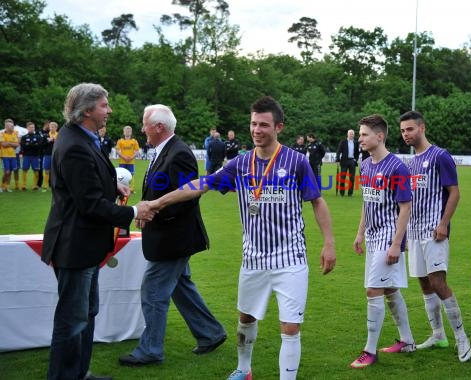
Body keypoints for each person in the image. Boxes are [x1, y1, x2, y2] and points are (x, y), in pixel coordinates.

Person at [148, 95, 336, 380]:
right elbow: (201, 185)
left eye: (264, 125)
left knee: (290, 327)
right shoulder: (240, 164)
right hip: (253, 258)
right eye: (253, 124)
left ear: (279, 127)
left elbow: (317, 201)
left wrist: (329, 243)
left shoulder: (297, 162)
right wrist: (157, 203)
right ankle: (243, 369)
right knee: (246, 318)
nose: (257, 130)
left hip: (290, 258)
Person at [41, 82, 155, 380]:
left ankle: (78, 373)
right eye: (105, 105)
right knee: (73, 320)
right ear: (88, 109)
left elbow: (87, 185)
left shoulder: (81, 137)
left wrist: (111, 184)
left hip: (85, 244)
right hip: (75, 245)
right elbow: (89, 204)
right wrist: (133, 211)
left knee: (86, 313)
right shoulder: (76, 145)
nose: (110, 110)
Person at [118, 104, 226, 367]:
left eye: (144, 124)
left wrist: (153, 214)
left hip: (173, 237)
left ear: (159, 127)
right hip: (168, 235)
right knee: (180, 286)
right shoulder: (165, 150)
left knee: (153, 289)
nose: (142, 128)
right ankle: (211, 333)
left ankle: (151, 349)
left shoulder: (179, 153)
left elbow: (187, 198)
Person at [399, 110, 471, 362]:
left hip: (434, 231)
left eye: (410, 129)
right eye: (403, 130)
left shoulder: (440, 156)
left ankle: (462, 337)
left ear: (422, 128)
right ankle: (438, 334)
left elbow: (454, 193)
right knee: (424, 282)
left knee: (438, 282)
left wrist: (443, 223)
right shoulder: (410, 163)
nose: (406, 134)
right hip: (415, 231)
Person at [349, 114, 416, 369]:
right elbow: (368, 202)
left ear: (379, 136)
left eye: (364, 134)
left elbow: (405, 207)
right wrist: (359, 233)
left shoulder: (397, 167)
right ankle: (407, 340)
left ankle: (370, 350)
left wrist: (397, 244)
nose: (361, 138)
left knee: (373, 290)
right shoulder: (365, 165)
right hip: (373, 235)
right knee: (389, 289)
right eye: (360, 134)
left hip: (389, 236)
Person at [115, 125, 140, 192]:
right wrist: (124, 157)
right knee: (121, 175)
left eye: (129, 131)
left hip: (131, 162)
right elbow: (117, 150)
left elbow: (137, 151)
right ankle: (122, 188)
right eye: (126, 131)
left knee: (131, 174)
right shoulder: (120, 141)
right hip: (122, 161)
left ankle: (131, 189)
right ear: (123, 132)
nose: (127, 132)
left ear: (131, 132)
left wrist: (131, 157)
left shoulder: (134, 141)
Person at [19, 121, 43, 191]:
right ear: (27, 128)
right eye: (30, 127)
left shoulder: (38, 137)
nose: (32, 128)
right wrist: (33, 144)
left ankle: (34, 185)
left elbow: (39, 146)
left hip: (35, 156)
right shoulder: (24, 137)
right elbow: (23, 146)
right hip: (26, 156)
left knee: (36, 171)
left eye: (33, 127)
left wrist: (29, 144)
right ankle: (24, 185)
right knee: (25, 170)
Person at [336, 129, 358, 196]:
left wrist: (355, 159)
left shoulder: (356, 142)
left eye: (352, 134)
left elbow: (357, 152)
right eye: (350, 134)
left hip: (352, 161)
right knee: (342, 177)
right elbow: (338, 151)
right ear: (347, 134)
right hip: (344, 161)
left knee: (352, 178)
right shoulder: (343, 142)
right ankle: (342, 193)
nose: (351, 135)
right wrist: (337, 159)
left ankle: (350, 193)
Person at [0, 118, 20, 192]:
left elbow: (17, 144)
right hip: (5, 155)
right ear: (7, 127)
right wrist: (12, 143)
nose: (13, 128)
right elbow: (3, 144)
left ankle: (7, 187)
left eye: (13, 126)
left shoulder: (15, 133)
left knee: (10, 171)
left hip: (13, 155)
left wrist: (8, 143)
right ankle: (2, 186)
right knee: (7, 172)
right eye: (11, 127)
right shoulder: (2, 133)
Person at [41, 121, 58, 192]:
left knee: (55, 171)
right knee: (47, 171)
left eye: (53, 127)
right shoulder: (46, 135)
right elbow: (42, 145)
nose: (52, 128)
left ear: (56, 128)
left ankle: (55, 186)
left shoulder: (59, 135)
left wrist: (55, 141)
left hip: (56, 155)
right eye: (50, 127)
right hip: (47, 155)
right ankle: (45, 186)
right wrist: (49, 141)